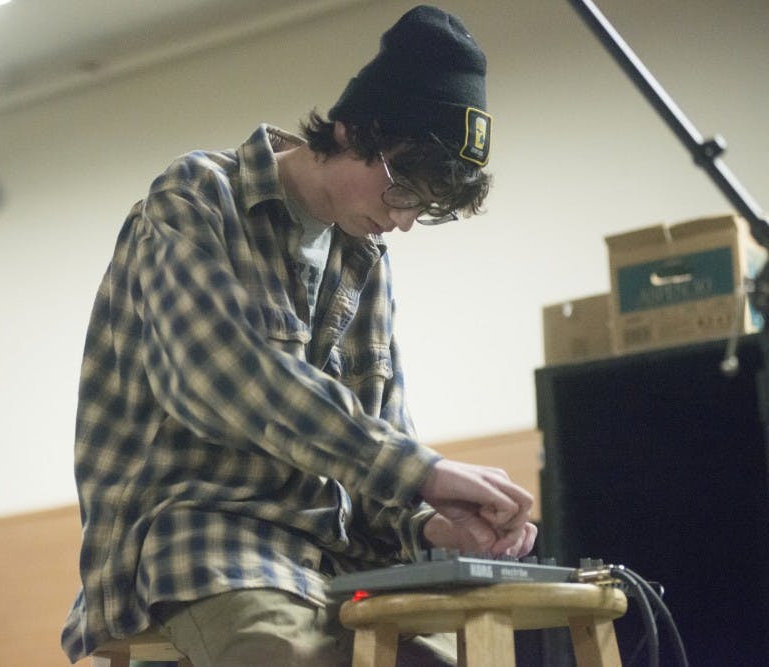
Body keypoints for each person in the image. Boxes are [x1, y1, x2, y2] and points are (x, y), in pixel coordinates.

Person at [62, 5, 537, 666]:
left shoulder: (366, 261)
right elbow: (226, 380)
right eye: (403, 189)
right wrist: (423, 472)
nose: (402, 221)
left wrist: (429, 522)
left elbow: (380, 449)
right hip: (204, 538)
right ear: (352, 128)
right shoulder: (197, 197)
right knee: (293, 656)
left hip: (330, 556)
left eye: (422, 209)